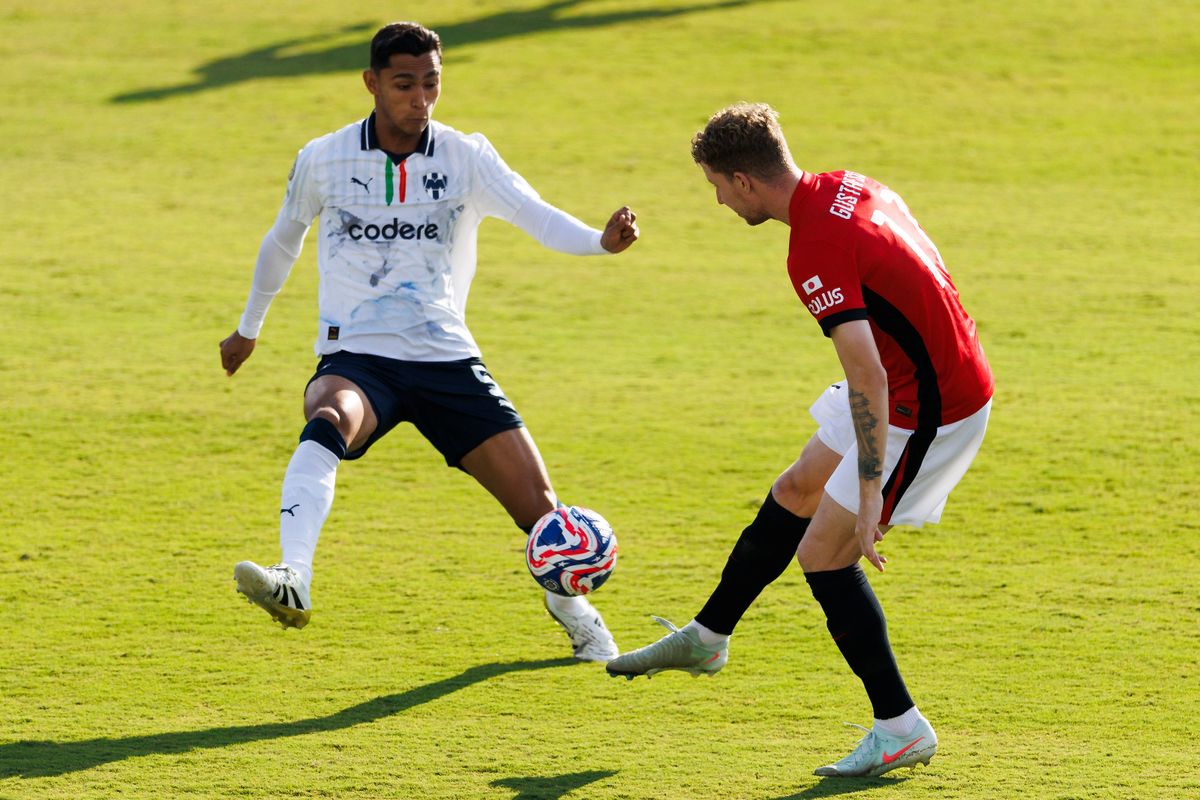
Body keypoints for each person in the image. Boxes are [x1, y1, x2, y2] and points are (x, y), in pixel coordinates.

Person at [220, 22, 638, 662]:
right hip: (359, 354)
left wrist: (599, 242)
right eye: (405, 84)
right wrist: (248, 328)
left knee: (544, 516)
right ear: (372, 84)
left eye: (431, 83)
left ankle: (569, 604)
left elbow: (535, 213)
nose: (420, 99)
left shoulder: (466, 157)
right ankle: (294, 577)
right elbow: (283, 241)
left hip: (446, 357)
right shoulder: (324, 158)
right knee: (329, 413)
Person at [606, 103, 992, 777]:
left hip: (928, 403)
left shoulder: (810, 247)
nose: (720, 201)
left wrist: (872, 488)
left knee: (825, 554)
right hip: (911, 372)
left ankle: (900, 726)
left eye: (718, 187)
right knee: (798, 488)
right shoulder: (847, 184)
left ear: (746, 181)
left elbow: (867, 375)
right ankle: (709, 636)